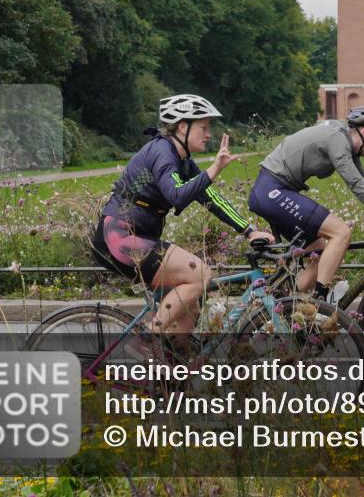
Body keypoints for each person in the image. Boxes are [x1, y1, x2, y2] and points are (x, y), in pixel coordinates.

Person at [92, 94, 274, 341]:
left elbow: (212, 198)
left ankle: (172, 363)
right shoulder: (162, 152)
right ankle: (149, 338)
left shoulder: (183, 162)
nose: (208, 134)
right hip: (118, 237)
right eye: (203, 128)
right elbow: (176, 196)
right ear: (182, 127)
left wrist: (249, 230)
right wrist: (214, 169)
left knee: (189, 312)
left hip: (137, 236)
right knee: (199, 275)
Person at [248, 105, 364, 300]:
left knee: (319, 254)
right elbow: (355, 183)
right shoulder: (337, 140)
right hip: (271, 190)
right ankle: (320, 303)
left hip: (274, 191)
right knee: (341, 232)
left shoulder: (346, 144)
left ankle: (282, 302)